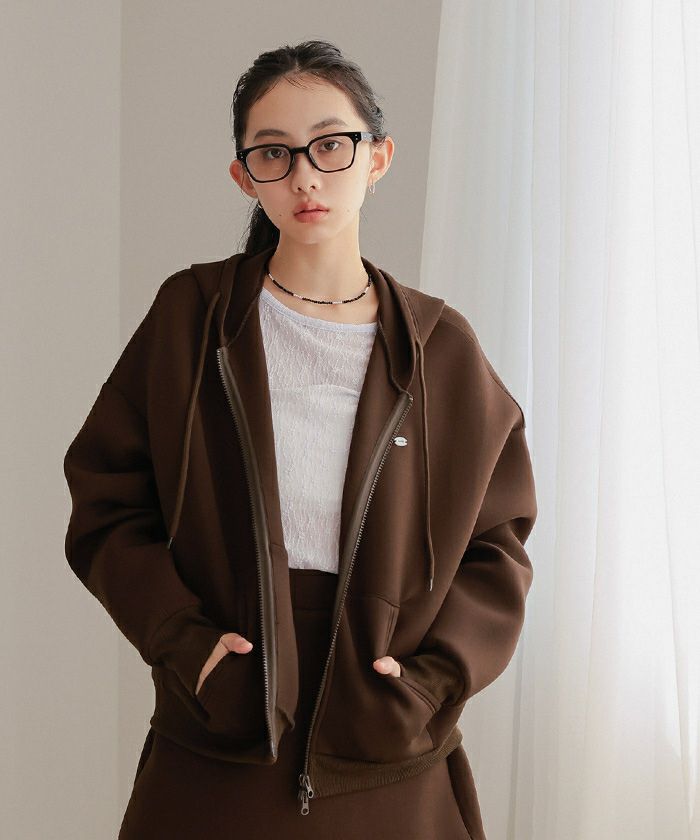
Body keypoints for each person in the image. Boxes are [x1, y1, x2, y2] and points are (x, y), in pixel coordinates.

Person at [62, 39, 537, 839]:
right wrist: (186, 645)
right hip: (221, 727)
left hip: (387, 744)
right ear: (243, 175)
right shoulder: (193, 319)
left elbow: (499, 542)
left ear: (377, 157)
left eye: (330, 145)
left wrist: (429, 683)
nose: (306, 176)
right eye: (274, 153)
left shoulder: (439, 348)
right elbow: (107, 503)